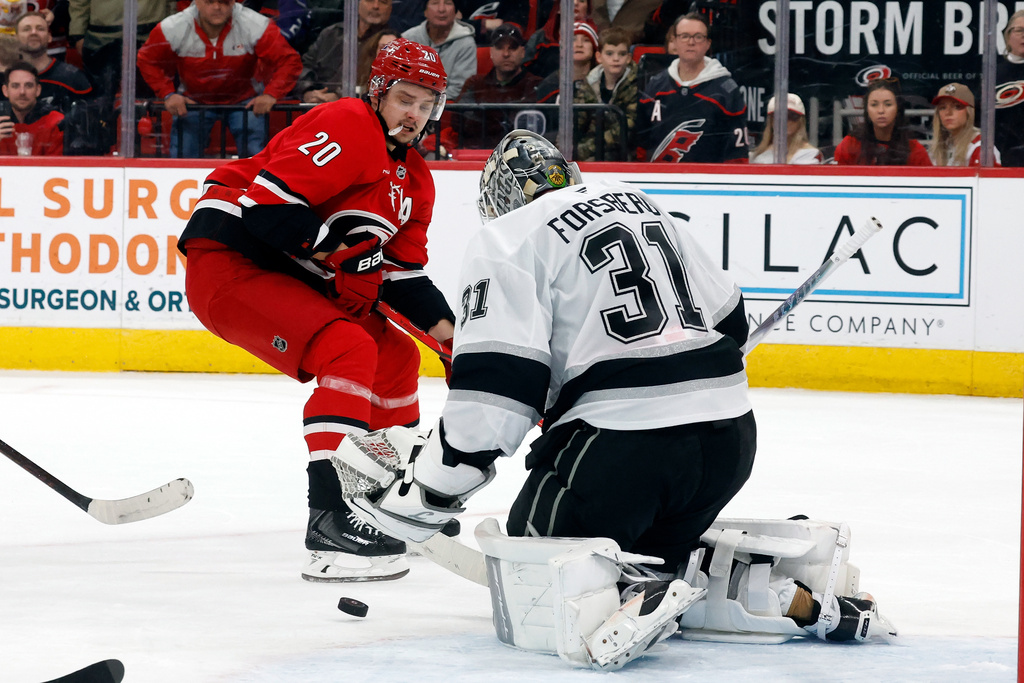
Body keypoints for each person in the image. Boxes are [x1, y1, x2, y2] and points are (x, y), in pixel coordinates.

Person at [332, 130, 896, 669]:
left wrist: (434, 486)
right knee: (656, 543)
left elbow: (494, 396)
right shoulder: (637, 201)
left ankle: (632, 595)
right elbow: (731, 319)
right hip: (729, 442)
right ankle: (777, 595)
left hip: (623, 449)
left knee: (536, 562)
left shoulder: (506, 238)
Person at [178, 38, 455, 583]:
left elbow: (400, 277)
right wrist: (338, 250)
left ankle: (389, 503)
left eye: (426, 105)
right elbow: (265, 206)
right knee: (348, 347)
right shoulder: (349, 123)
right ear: (378, 95)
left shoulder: (417, 179)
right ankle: (330, 519)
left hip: (291, 271)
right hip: (232, 262)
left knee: (395, 356)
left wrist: (454, 341)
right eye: (405, 99)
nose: (414, 115)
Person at [137, 0, 302, 158]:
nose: (217, 7)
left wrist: (271, 94)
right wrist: (168, 94)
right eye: (210, 2)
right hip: (193, 101)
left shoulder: (256, 24)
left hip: (245, 101)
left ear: (233, 2)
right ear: (197, 2)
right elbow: (146, 60)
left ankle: (257, 186)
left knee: (256, 156)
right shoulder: (173, 27)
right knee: (183, 154)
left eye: (224, 2)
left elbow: (289, 61)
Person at [636, 12, 748, 163]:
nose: (691, 42)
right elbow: (641, 145)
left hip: (708, 183)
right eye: (684, 36)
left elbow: (737, 155)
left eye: (698, 36)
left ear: (708, 44)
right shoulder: (656, 85)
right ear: (674, 41)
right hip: (659, 181)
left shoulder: (726, 91)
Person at [68, 0, 169, 151]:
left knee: (150, 104)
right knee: (100, 104)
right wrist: (77, 33)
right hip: (100, 38)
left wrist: (170, 30)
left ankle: (152, 150)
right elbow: (79, 2)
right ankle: (98, 152)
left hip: (149, 34)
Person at [444, 22, 542, 149]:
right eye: (500, 47)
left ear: (522, 52)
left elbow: (525, 130)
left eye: (512, 48)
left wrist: (483, 120)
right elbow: (459, 123)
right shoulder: (475, 83)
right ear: (491, 52)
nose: (506, 54)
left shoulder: (535, 84)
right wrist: (502, 123)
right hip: (474, 154)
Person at [293, 0, 393, 104]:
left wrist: (340, 97)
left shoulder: (391, 44)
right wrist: (308, 92)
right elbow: (303, 67)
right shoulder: (331, 34)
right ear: (356, 4)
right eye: (369, 0)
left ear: (390, 9)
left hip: (359, 111)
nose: (376, 6)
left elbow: (387, 85)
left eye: (383, 2)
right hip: (317, 107)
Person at [534, 21, 600, 157]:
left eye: (586, 40)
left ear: (595, 48)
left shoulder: (603, 82)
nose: (579, 44)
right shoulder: (548, 86)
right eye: (573, 39)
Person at [834, 78, 931, 166]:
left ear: (898, 108)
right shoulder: (849, 145)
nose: (881, 110)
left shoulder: (915, 150)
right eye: (874, 104)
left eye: (888, 104)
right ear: (867, 109)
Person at [579, 25, 638, 161]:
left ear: (629, 58)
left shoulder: (637, 84)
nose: (616, 59)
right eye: (610, 53)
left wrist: (588, 148)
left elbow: (628, 127)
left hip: (625, 154)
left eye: (622, 54)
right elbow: (576, 121)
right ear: (599, 57)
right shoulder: (588, 84)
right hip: (592, 150)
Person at [15, 12, 92, 112]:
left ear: (49, 37)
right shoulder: (4, 78)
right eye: (27, 29)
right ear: (15, 38)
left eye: (40, 29)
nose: (33, 32)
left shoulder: (74, 79)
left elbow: (88, 123)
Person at [401, 0, 476, 100]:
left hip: (447, 108)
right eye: (435, 3)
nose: (441, 9)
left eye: (448, 3)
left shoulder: (466, 44)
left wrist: (425, 101)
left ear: (455, 11)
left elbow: (459, 89)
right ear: (425, 11)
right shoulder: (408, 39)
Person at [0, 62, 64, 155]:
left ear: (38, 90)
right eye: (15, 86)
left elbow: (59, 167)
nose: (22, 92)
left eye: (28, 85)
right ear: (5, 91)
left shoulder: (56, 122)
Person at [929, 82, 1000, 167]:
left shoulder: (981, 148)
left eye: (957, 107)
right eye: (942, 107)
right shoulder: (939, 148)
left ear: (969, 112)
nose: (948, 112)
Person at [523, 0, 592, 79]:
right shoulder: (541, 37)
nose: (575, 3)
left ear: (587, 10)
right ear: (558, 8)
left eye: (582, 0)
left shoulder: (597, 37)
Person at [750, 93, 822, 164]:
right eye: (779, 117)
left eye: (792, 116)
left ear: (800, 121)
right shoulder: (758, 156)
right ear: (771, 121)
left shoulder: (811, 154)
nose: (785, 122)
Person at [995, 9, 1024, 167]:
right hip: (1003, 158)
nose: (1023, 35)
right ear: (1008, 36)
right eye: (1019, 30)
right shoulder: (994, 73)